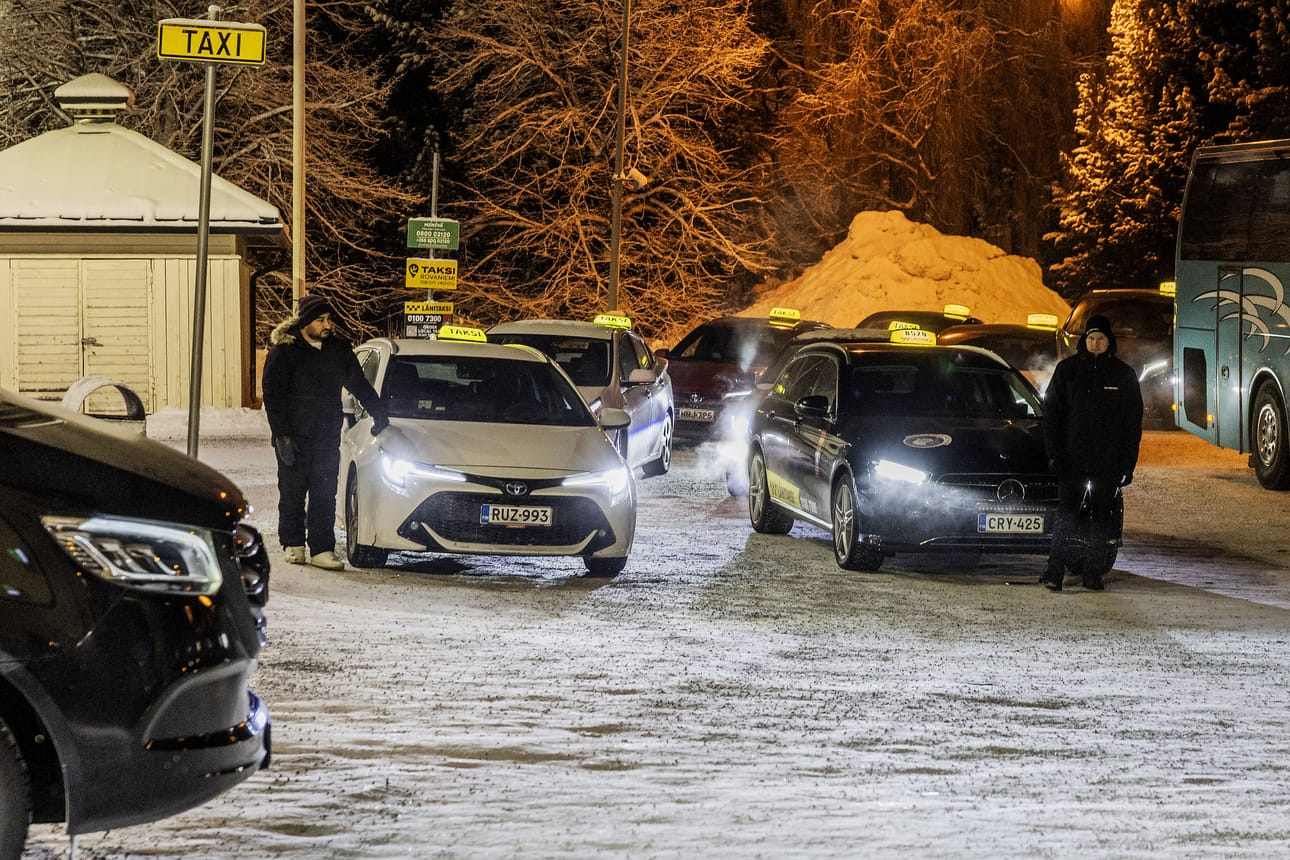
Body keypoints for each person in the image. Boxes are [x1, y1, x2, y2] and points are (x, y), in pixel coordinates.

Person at [262, 294, 389, 570]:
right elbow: (273, 395)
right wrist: (281, 434)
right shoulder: (285, 352)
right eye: (320, 320)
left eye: (328, 319)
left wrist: (379, 412)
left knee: (324, 494)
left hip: (326, 437)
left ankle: (322, 549)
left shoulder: (338, 351)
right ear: (305, 322)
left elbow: (359, 384)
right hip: (293, 438)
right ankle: (294, 544)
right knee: (293, 493)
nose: (327, 325)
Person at [1041, 313, 1143, 591]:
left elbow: (1132, 424)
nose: (1095, 343)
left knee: (1101, 519)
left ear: (1110, 342)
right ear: (1084, 340)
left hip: (1107, 463)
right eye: (1091, 338)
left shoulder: (1123, 375)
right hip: (1071, 459)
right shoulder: (1067, 371)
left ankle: (1093, 574)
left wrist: (1128, 464)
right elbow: (1052, 416)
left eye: (1101, 339)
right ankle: (1054, 572)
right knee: (1066, 516)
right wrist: (1055, 454)